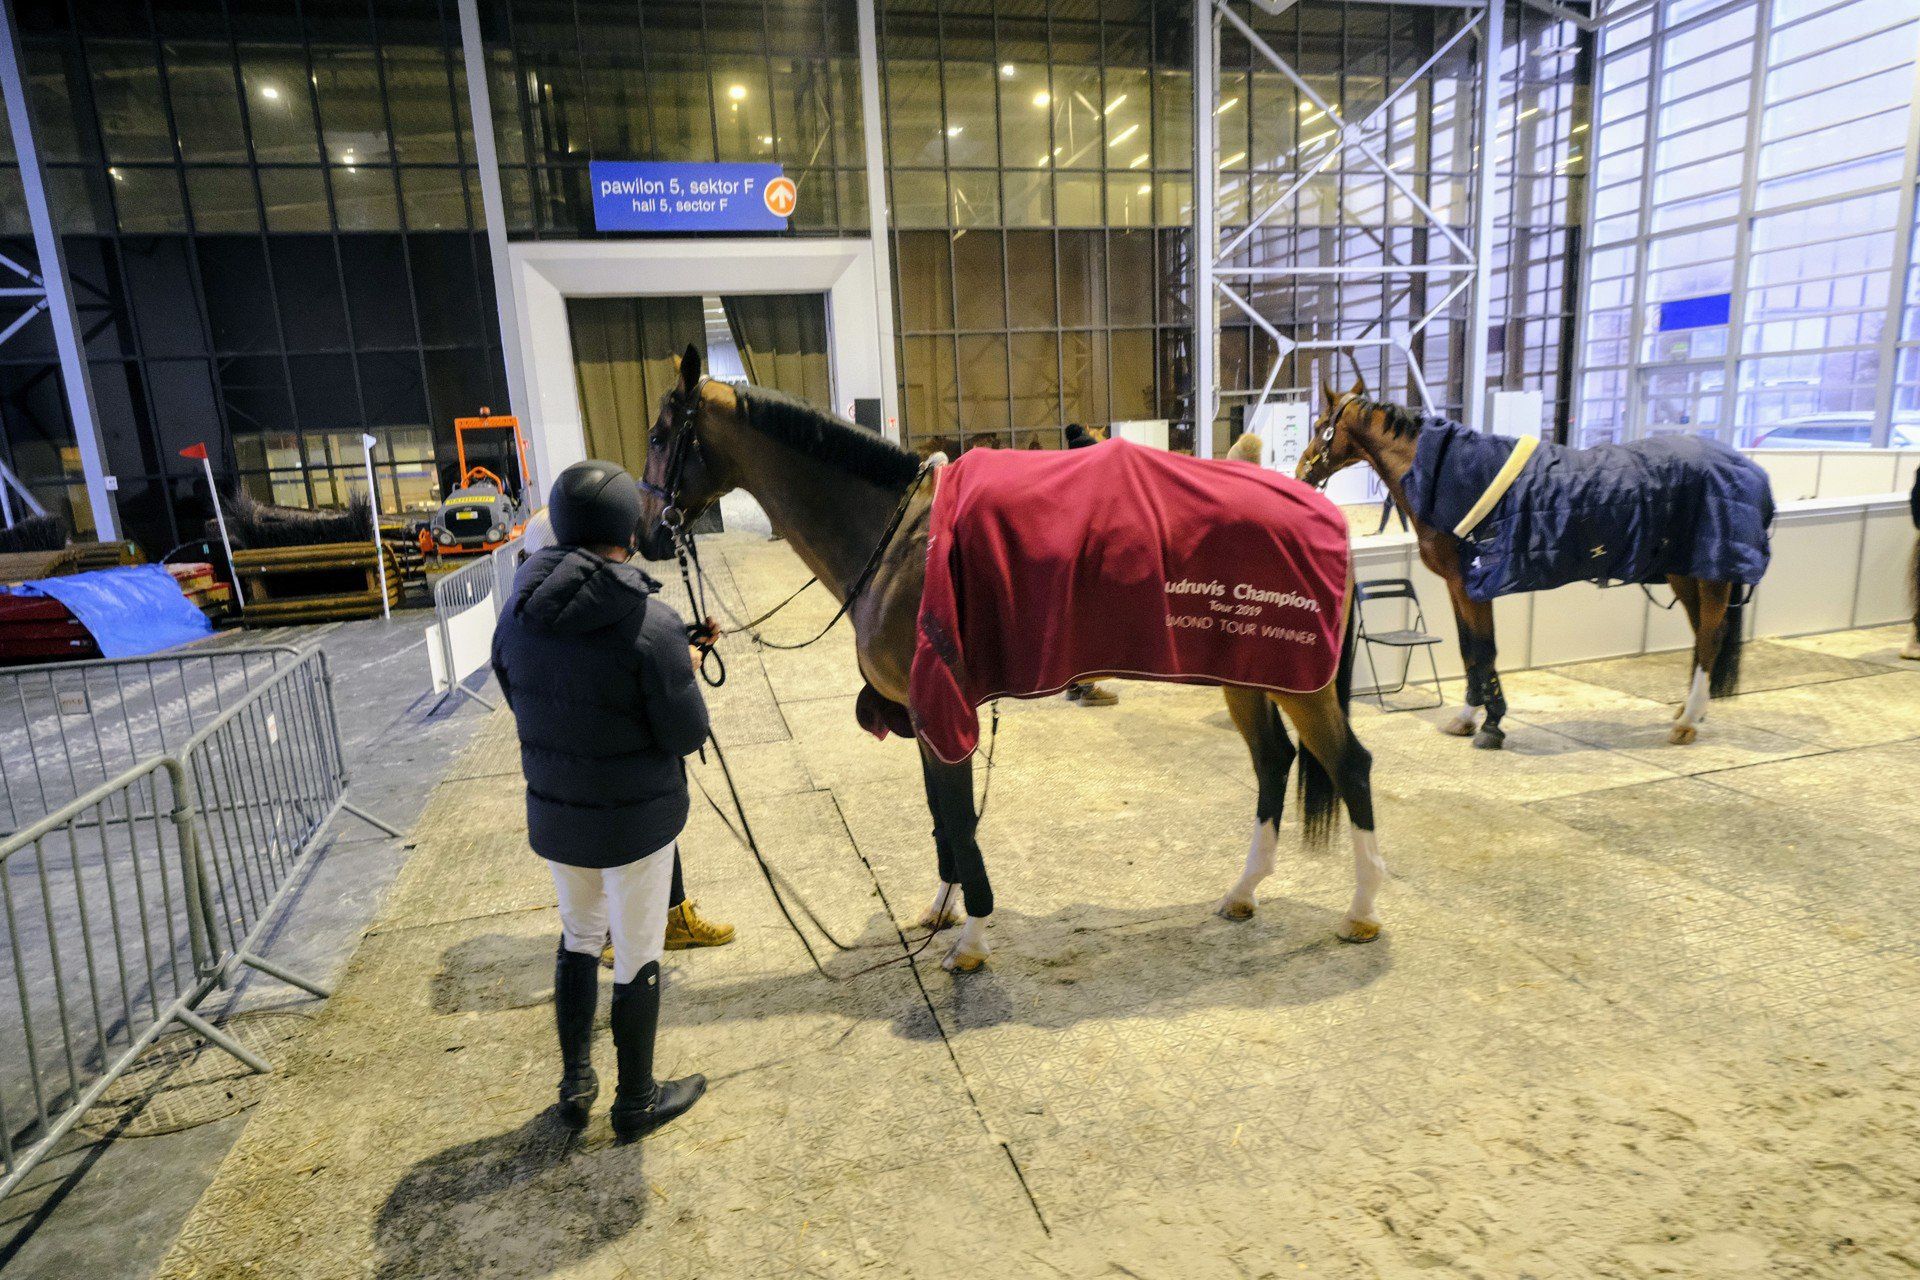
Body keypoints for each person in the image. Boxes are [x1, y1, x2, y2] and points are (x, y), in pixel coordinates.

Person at [490, 460, 708, 1141]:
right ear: (627, 530)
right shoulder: (652, 623)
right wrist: (683, 667)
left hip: (560, 814)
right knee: (637, 952)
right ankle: (636, 1100)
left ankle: (575, 1081)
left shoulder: (516, 616)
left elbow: (525, 695)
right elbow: (686, 733)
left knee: (579, 936)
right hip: (635, 822)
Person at [521, 508, 737, 954]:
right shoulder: (588, 611)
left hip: (564, 781)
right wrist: (676, 667)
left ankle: (665, 919)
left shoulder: (525, 617)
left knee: (640, 839)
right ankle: (616, 938)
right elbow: (619, 689)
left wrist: (675, 651)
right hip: (604, 777)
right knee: (623, 870)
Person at [1060, 424, 1118, 707]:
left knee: (1072, 624)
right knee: (1088, 626)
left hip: (1068, 567)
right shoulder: (1089, 486)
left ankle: (1073, 684)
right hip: (1086, 567)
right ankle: (1087, 687)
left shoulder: (1065, 480)